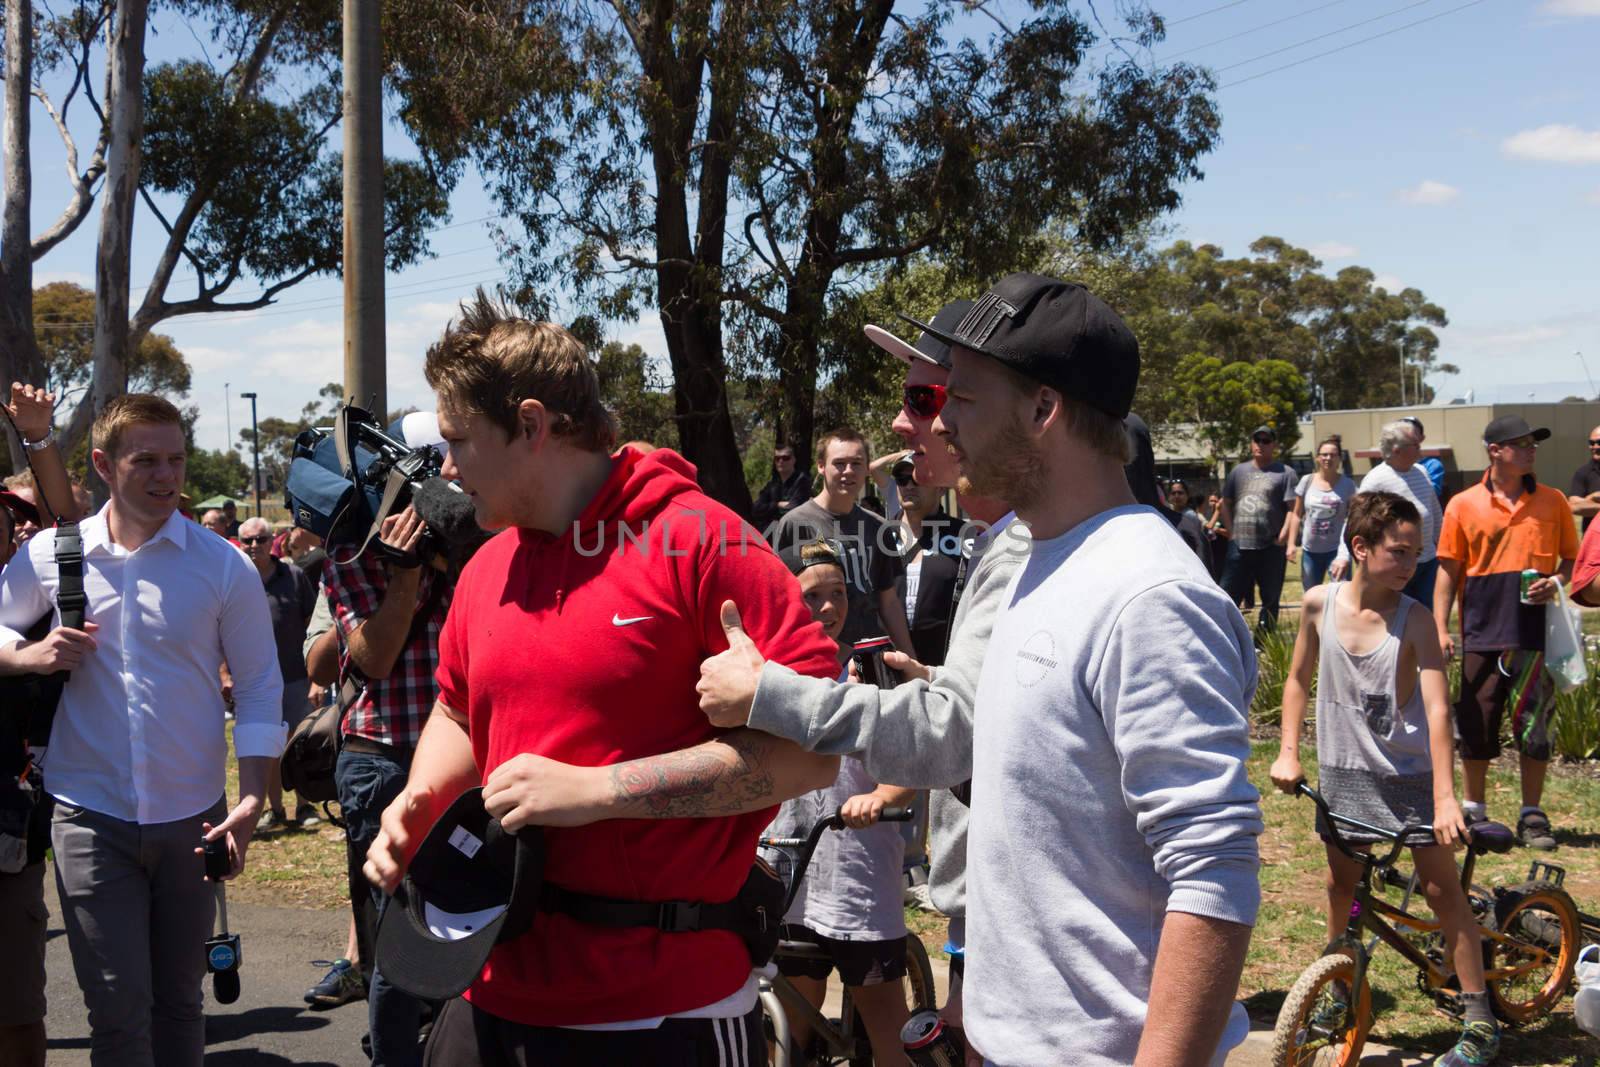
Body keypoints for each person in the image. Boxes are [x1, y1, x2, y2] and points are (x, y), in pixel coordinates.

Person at [701, 275, 1261, 1065]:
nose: (936, 421)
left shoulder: (1149, 595)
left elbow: (1215, 867)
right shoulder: (1038, 558)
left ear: (1042, 410)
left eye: (959, 397)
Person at [362, 292, 843, 1064]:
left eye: (456, 441)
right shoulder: (488, 567)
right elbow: (458, 710)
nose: (444, 472)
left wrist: (598, 791)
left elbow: (812, 755)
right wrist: (420, 801)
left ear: (530, 425)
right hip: (486, 992)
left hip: (661, 1011)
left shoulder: (706, 546)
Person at [0, 393, 283, 1067]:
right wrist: (26, 654)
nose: (167, 476)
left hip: (195, 817)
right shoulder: (54, 553)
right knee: (118, 1012)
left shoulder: (222, 563)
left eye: (176, 459)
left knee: (181, 1003)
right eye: (146, 460)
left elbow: (260, 685)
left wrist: (251, 800)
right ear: (102, 463)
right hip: (87, 813)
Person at [1270, 491, 1498, 1067]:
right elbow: (1297, 678)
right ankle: (1339, 986)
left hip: (1410, 776)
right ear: (1361, 547)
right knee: (1340, 885)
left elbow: (1439, 710)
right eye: (1398, 552)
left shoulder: (1415, 620)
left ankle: (1480, 1018)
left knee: (1445, 893)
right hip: (1345, 774)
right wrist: (1289, 753)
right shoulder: (1320, 604)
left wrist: (1446, 798)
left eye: (1415, 554)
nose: (1409, 564)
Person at [765, 539, 917, 1065]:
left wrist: (879, 797)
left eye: (837, 594)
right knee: (789, 1021)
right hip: (786, 872)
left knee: (885, 1026)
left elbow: (908, 767)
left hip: (856, 875)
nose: (828, 608)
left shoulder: (869, 674)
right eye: (812, 597)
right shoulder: (766, 680)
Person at [324, 494, 454, 1066]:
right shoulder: (351, 556)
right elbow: (372, 660)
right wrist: (404, 576)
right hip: (383, 761)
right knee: (398, 931)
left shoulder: (472, 551)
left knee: (463, 921)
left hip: (461, 762)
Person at [1434, 415, 1578, 851]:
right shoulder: (1462, 504)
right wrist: (1440, 627)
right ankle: (1474, 811)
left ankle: (1531, 814)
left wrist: (1555, 582)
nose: (1532, 450)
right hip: (1481, 633)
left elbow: (1570, 561)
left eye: (1534, 443)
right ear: (1495, 451)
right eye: (1522, 443)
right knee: (1476, 724)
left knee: (1536, 729)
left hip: (1536, 635)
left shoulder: (1554, 501)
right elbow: (1447, 572)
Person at [0, 382, 79, 1067]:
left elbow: (69, 522)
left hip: (8, 837)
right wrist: (22, 657)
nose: (19, 527)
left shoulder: (33, 594)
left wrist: (38, 438)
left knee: (19, 1011)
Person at [772, 427, 913, 652]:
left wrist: (910, 657)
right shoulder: (795, 523)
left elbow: (889, 602)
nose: (848, 471)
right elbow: (781, 598)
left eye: (857, 463)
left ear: (867, 469)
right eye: (839, 463)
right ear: (821, 466)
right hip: (820, 656)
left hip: (870, 656)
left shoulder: (879, 527)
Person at [238, 516, 320, 829]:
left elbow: (315, 624)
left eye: (260, 539)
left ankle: (305, 805)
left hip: (296, 676)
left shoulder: (294, 575)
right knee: (265, 745)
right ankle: (274, 809)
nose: (254, 546)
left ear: (273, 540)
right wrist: (225, 675)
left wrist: (316, 678)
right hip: (254, 681)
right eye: (247, 541)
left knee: (298, 743)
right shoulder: (235, 578)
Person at [1329, 419, 1444, 608]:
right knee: (1396, 616)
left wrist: (1443, 548)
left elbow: (1435, 513)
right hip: (1394, 565)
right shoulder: (1376, 479)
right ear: (1397, 449)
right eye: (1415, 445)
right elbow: (1355, 520)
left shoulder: (1422, 472)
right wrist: (1343, 556)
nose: (1420, 450)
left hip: (1427, 562)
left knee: (1424, 615)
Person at [1219, 425, 1298, 630]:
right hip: (1239, 546)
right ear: (1251, 443)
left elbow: (1293, 508)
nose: (1260, 445)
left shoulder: (1285, 473)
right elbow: (1225, 503)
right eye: (1257, 440)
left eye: (1266, 441)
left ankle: (1262, 643)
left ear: (1274, 445)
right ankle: (1228, 635)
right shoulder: (1238, 471)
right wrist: (1231, 533)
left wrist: (1283, 536)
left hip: (1270, 546)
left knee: (1270, 598)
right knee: (1227, 596)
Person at [892, 455, 961, 666]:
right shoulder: (878, 535)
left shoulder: (964, 537)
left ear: (941, 488)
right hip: (889, 667)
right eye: (902, 479)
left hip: (944, 667)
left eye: (918, 479)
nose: (908, 486)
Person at [1287, 437, 1356, 589]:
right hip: (1310, 551)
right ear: (1318, 457)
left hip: (1337, 550)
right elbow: (1296, 514)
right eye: (1324, 454)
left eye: (1333, 455)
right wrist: (1291, 544)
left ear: (1339, 458)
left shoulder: (1348, 485)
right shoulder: (1307, 481)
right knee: (1311, 596)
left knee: (1341, 593)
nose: (1328, 458)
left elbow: (1353, 519)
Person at [752, 443, 814, 531]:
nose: (781, 461)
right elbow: (756, 509)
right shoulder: (772, 484)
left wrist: (769, 509)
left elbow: (794, 508)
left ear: (793, 460)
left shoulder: (802, 482)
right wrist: (778, 505)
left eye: (785, 458)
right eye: (777, 459)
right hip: (772, 534)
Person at [1167, 479, 1213, 575]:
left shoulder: (1189, 516)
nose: (1177, 496)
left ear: (1187, 495)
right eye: (1173, 493)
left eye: (1180, 493)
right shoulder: (1168, 515)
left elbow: (1198, 544)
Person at [1567, 422, 1600, 533]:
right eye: (1591, 443)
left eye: (1599, 442)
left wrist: (1590, 502)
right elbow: (1575, 506)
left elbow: (1582, 504)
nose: (1595, 447)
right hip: (1595, 542)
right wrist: (1593, 496)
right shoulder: (1583, 472)